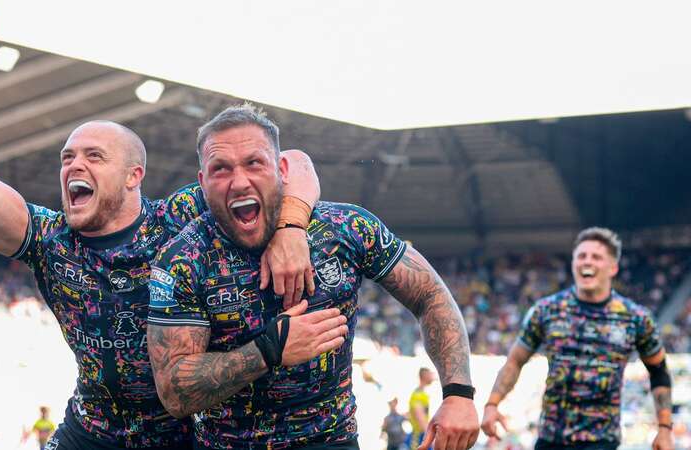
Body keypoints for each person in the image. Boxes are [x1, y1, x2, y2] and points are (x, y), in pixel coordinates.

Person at [0, 8, 325, 449]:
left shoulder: (181, 219)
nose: (75, 165)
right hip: (90, 432)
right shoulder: (51, 241)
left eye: (94, 156)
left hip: (186, 433)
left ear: (133, 175)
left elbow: (294, 162)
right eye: (67, 158)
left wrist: (291, 225)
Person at [147, 104, 479, 449]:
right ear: (202, 182)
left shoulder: (345, 228)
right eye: (221, 169)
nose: (239, 181)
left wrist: (458, 393)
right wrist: (268, 350)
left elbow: (430, 295)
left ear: (282, 169)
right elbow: (174, 393)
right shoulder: (182, 259)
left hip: (332, 440)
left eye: (254, 163)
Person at [481, 227, 675, 450]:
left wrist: (665, 429)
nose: (587, 262)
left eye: (596, 257)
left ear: (613, 267)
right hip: (551, 440)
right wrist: (492, 404)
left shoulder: (636, 318)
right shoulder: (547, 310)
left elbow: (659, 372)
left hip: (602, 442)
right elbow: (515, 361)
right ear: (573, 263)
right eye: (581, 256)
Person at [409, 367, 435, 448]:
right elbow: (421, 420)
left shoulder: (422, 394)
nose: (432, 376)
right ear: (424, 376)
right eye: (430, 373)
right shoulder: (418, 395)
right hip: (420, 438)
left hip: (423, 437)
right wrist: (432, 440)